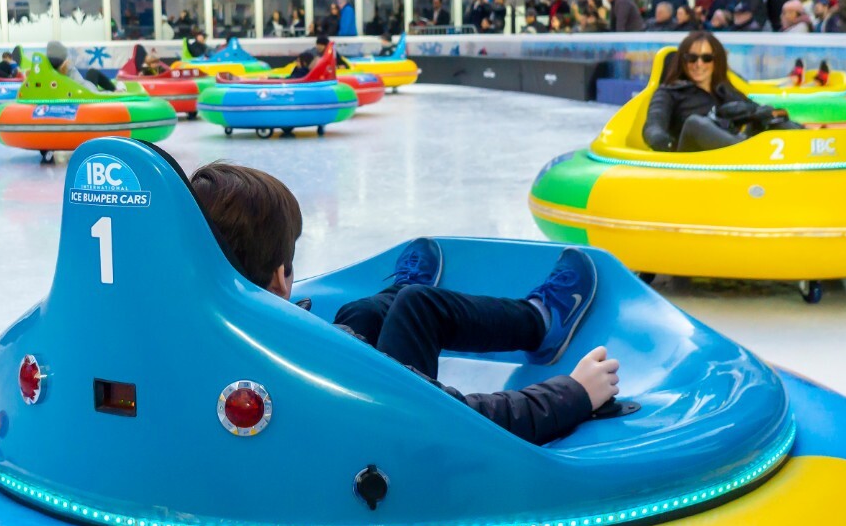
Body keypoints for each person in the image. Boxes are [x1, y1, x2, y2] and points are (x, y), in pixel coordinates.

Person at [188, 163, 623, 446]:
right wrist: (576, 393)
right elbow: (461, 419)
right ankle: (539, 321)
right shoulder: (319, 354)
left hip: (347, 428)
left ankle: (394, 299)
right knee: (419, 307)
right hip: (392, 450)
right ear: (283, 276)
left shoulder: (188, 326)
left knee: (359, 316)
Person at [642, 30, 794, 153]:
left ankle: (811, 145)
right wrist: (658, 138)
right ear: (683, 61)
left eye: (706, 58)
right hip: (691, 161)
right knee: (695, 123)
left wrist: (768, 114)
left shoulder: (725, 91)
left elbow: (756, 109)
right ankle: (745, 153)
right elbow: (653, 124)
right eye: (692, 58)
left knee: (767, 119)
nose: (699, 64)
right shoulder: (670, 92)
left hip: (728, 155)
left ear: (716, 61)